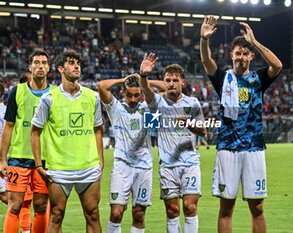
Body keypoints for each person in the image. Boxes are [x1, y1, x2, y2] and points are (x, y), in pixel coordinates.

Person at [200, 16, 283, 233]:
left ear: (251, 56)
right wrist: (204, 40)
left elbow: (277, 65)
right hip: (227, 148)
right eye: (238, 53)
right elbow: (207, 62)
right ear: (232, 55)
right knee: (226, 208)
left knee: (257, 207)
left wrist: (254, 41)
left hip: (254, 148)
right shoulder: (222, 79)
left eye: (245, 53)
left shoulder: (258, 79)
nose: (241, 57)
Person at [30, 51, 104, 233]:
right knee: (56, 215)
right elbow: (35, 132)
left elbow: (97, 130)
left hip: (88, 168)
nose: (77, 66)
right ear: (61, 69)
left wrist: (100, 161)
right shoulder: (48, 99)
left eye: (78, 62)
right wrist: (39, 164)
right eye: (71, 63)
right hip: (59, 170)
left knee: (93, 214)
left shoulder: (93, 97)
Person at [139, 53, 207, 233]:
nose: (171, 83)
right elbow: (146, 91)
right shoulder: (158, 102)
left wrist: (189, 123)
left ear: (182, 82)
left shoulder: (192, 103)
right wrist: (144, 75)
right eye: (167, 80)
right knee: (172, 210)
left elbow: (203, 130)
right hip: (168, 166)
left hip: (190, 163)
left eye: (175, 80)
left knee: (190, 207)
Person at [0, 49, 53, 233]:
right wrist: (2, 159)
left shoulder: (56, 94)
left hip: (46, 161)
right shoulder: (17, 91)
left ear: (49, 67)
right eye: (36, 62)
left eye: (44, 63)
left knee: (41, 206)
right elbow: (8, 126)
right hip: (18, 158)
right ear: (30, 67)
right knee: (14, 206)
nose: (40, 66)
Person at [98, 74, 153, 233]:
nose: (133, 99)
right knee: (116, 214)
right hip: (122, 167)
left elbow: (166, 90)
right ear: (123, 93)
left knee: (139, 214)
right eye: (129, 95)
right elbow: (102, 85)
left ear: (142, 94)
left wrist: (143, 80)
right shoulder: (116, 108)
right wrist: (124, 79)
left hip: (144, 168)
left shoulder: (148, 109)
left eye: (137, 95)